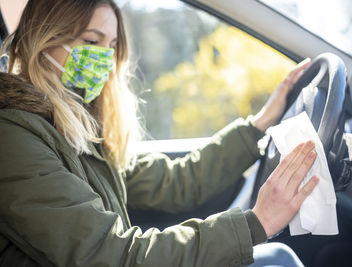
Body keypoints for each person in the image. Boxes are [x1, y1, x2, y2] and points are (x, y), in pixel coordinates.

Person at [0, 0, 317, 266]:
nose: (105, 60)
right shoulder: (13, 137)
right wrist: (255, 224)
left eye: (111, 46)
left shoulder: (79, 128)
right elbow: (111, 254)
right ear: (43, 38)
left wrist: (258, 125)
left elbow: (178, 181)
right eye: (91, 41)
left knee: (276, 257)